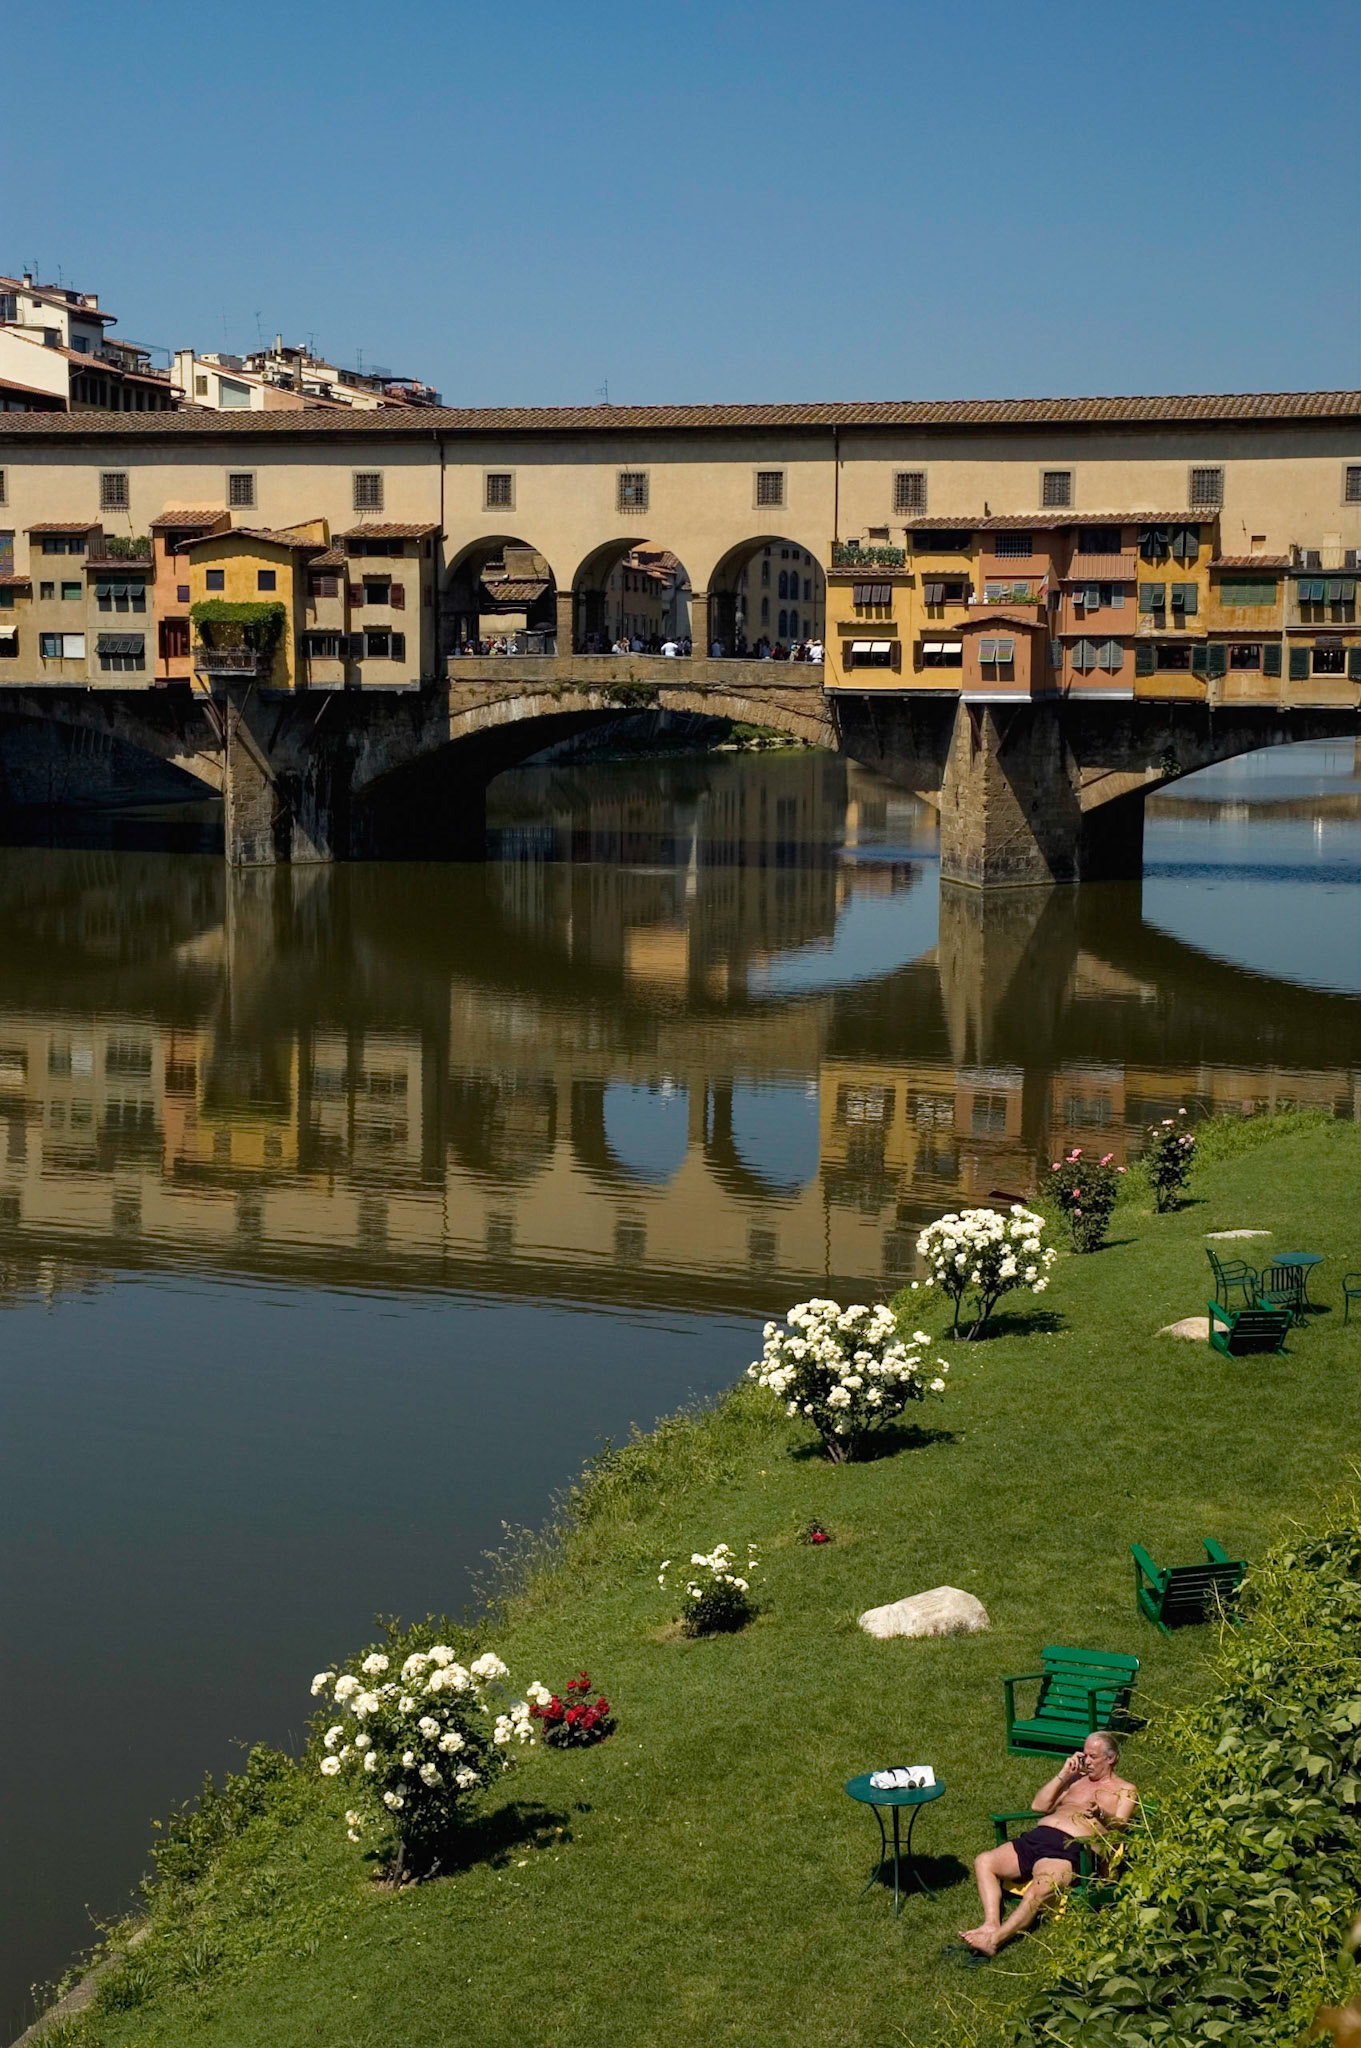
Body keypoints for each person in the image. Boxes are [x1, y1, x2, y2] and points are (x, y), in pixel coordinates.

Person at [962, 1732, 1136, 1956]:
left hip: (1072, 1847)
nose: (1087, 1761)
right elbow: (1038, 1805)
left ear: (1110, 1758)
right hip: (1039, 1837)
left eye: (1092, 1757)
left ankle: (994, 1941)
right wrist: (1064, 1774)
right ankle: (991, 1923)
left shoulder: (1125, 1789)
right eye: (1084, 1756)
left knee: (1040, 1888)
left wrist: (1101, 1813)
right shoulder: (1075, 1780)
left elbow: (1120, 1824)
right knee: (984, 1861)